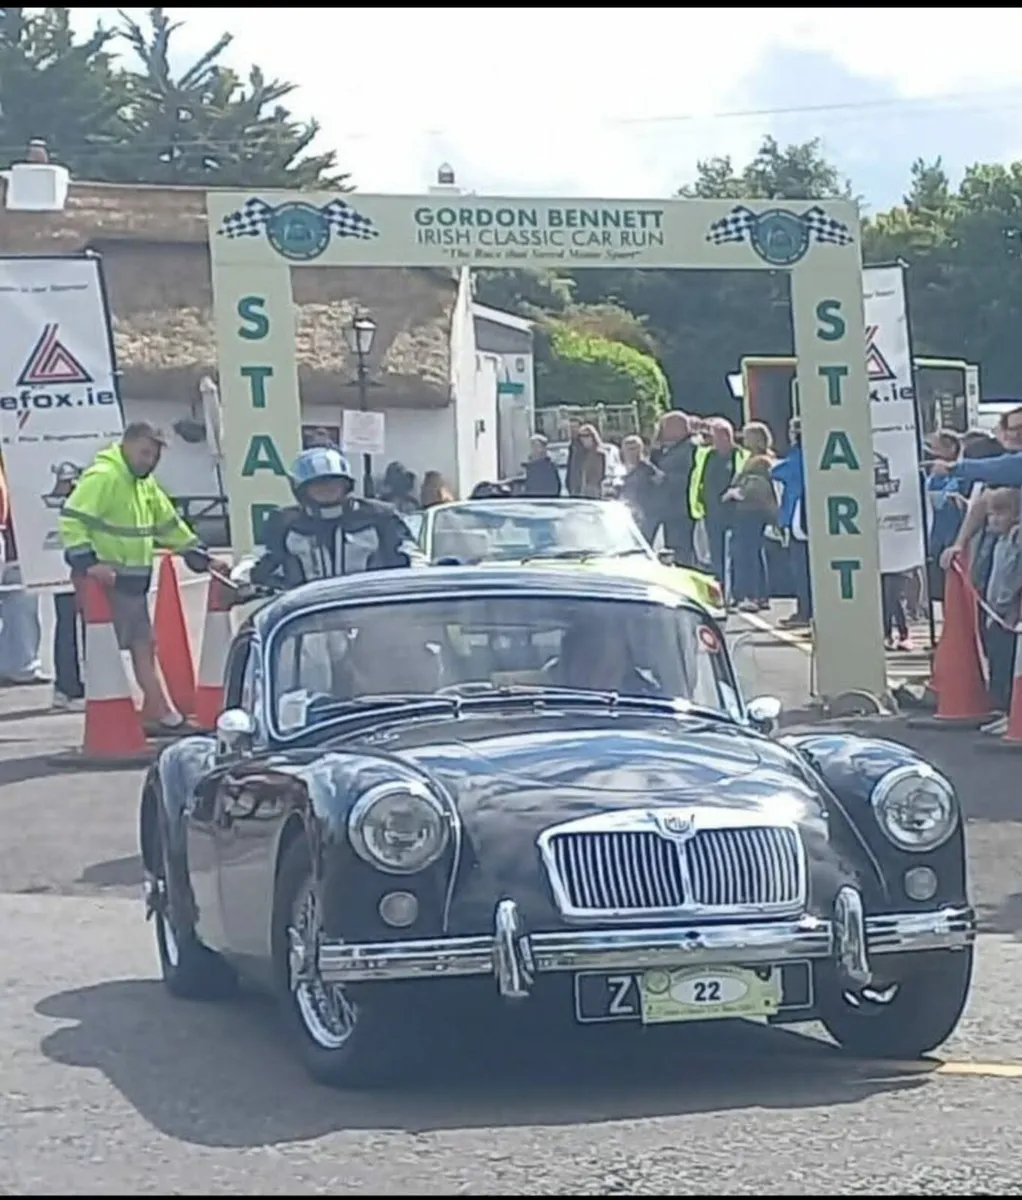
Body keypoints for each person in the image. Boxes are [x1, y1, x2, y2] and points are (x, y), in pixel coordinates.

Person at [58, 422, 223, 735]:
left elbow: (168, 524)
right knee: (121, 650)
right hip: (108, 583)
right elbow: (72, 520)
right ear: (127, 444)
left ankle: (160, 713)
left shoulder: (143, 484)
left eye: (155, 455)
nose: (150, 460)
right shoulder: (105, 477)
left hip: (130, 584)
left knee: (140, 647)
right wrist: (88, 563)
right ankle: (151, 716)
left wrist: (197, 553)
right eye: (145, 452)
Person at [250, 446, 419, 590]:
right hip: (306, 616)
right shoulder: (282, 522)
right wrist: (242, 581)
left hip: (372, 613)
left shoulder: (381, 515)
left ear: (347, 484)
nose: (327, 488)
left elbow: (413, 558)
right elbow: (258, 563)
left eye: (334, 482)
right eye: (318, 483)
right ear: (300, 488)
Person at [977, 487, 1022, 735]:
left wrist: (1010, 609)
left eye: (1000, 513)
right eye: (991, 514)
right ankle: (1003, 712)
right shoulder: (997, 542)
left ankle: (1010, 712)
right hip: (994, 611)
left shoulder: (1016, 538)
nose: (993, 519)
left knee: (1006, 664)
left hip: (1008, 614)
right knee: (996, 661)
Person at [691, 418, 749, 597]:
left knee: (737, 554)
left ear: (726, 436)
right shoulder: (706, 455)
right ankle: (721, 590)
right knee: (716, 553)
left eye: (713, 436)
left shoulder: (740, 455)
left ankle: (739, 592)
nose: (710, 439)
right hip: (711, 512)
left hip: (735, 512)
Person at [722, 426, 777, 613]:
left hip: (752, 511)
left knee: (749, 553)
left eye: (748, 436)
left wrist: (736, 492)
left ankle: (752, 595)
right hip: (750, 511)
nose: (743, 439)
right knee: (754, 552)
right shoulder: (752, 459)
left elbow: (756, 487)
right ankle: (759, 595)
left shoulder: (761, 462)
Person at [771, 416, 812, 630]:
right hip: (806, 518)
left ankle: (805, 611)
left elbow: (777, 472)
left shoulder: (799, 457)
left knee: (801, 568)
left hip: (800, 521)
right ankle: (806, 609)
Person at [650, 411, 698, 568]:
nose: (661, 432)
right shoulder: (672, 449)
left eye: (664, 427)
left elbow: (691, 475)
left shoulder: (690, 448)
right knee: (672, 548)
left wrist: (666, 478)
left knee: (682, 549)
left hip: (681, 509)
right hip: (670, 508)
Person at [619, 434, 662, 543]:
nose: (631, 452)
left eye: (634, 448)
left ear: (641, 449)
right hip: (623, 514)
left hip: (644, 516)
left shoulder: (649, 470)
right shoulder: (618, 469)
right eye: (628, 448)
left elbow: (658, 488)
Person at [569, 424, 606, 499]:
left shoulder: (600, 454)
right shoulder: (577, 455)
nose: (584, 438)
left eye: (587, 435)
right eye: (581, 436)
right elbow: (572, 474)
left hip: (595, 491)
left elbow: (602, 474)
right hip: (578, 492)